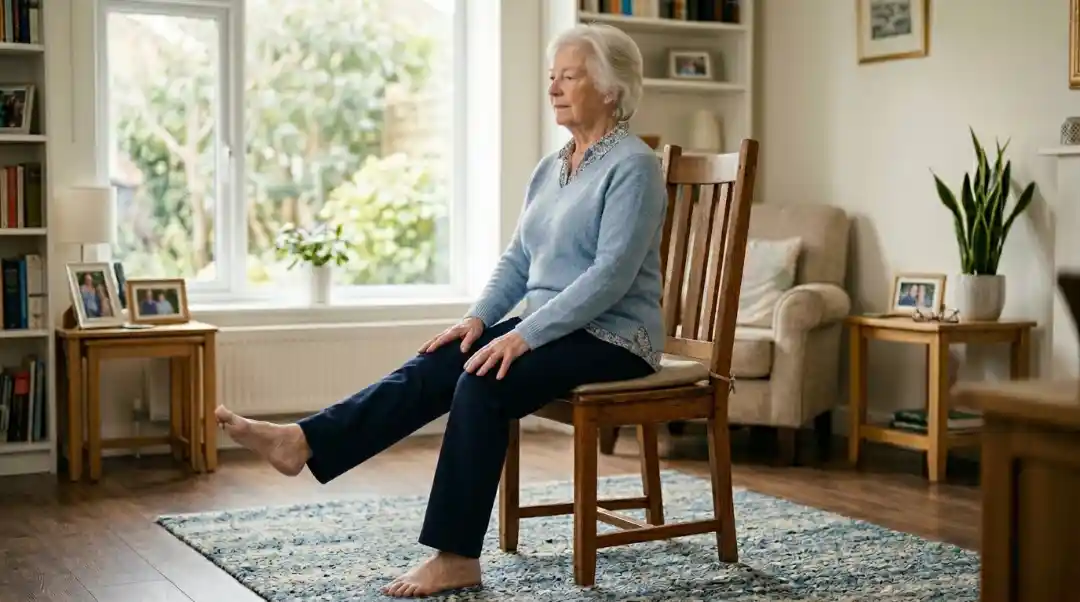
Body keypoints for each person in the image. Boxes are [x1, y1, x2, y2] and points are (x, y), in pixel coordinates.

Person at [214, 23, 667, 598]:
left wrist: (521, 336)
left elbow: (609, 278)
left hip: (615, 337)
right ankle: (302, 442)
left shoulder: (635, 165)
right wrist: (478, 319)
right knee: (442, 359)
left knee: (482, 383)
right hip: (552, 329)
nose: (553, 87)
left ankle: (456, 557)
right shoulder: (551, 166)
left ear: (610, 88)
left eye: (569, 77)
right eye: (551, 77)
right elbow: (518, 260)